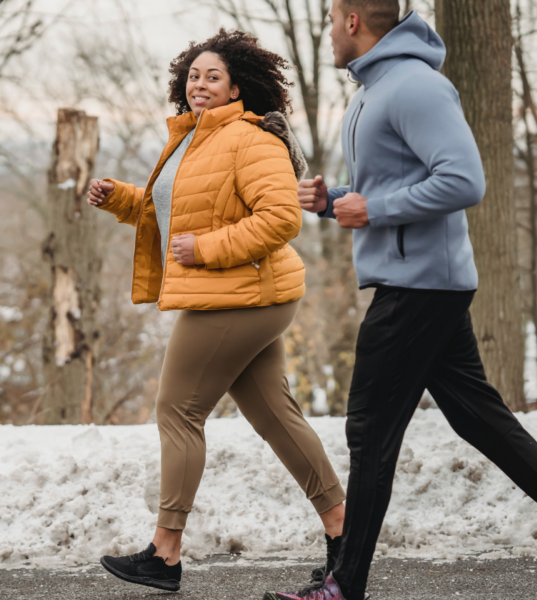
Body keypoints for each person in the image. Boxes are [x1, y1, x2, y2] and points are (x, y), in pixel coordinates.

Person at [265, 3, 537, 600]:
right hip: (414, 278)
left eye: (333, 18)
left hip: (419, 284)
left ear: (355, 20)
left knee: (368, 430)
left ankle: (344, 587)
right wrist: (332, 198)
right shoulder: (375, 89)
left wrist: (376, 209)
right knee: (477, 418)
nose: (329, 31)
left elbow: (465, 179)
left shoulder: (416, 86)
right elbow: (392, 186)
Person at [86, 29, 346, 592]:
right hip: (242, 294)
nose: (199, 85)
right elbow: (178, 214)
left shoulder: (251, 140)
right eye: (194, 75)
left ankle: (165, 552)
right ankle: (342, 530)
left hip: (238, 294)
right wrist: (121, 199)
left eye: (213, 77)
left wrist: (204, 250)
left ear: (238, 88)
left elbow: (281, 219)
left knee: (177, 410)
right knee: (274, 415)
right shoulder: (191, 140)